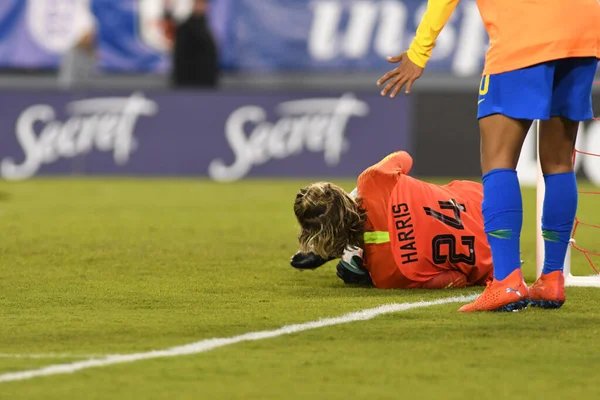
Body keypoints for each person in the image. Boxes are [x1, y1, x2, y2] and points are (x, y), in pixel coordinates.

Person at [377, 0, 600, 311]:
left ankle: (507, 281)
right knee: (560, 161)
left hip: (527, 29)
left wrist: (419, 52)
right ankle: (551, 279)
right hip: (584, 30)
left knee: (498, 159)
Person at [291, 151, 494, 290]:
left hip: (494, 260)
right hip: (485, 200)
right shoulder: (374, 179)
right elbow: (405, 158)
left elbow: (456, 279)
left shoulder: (386, 275)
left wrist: (368, 278)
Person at [171, 0, 219, 88]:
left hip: (206, 83)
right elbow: (181, 57)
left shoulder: (206, 27)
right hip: (189, 84)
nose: (202, 7)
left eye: (204, 4)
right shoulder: (185, 28)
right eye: (199, 4)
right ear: (193, 5)